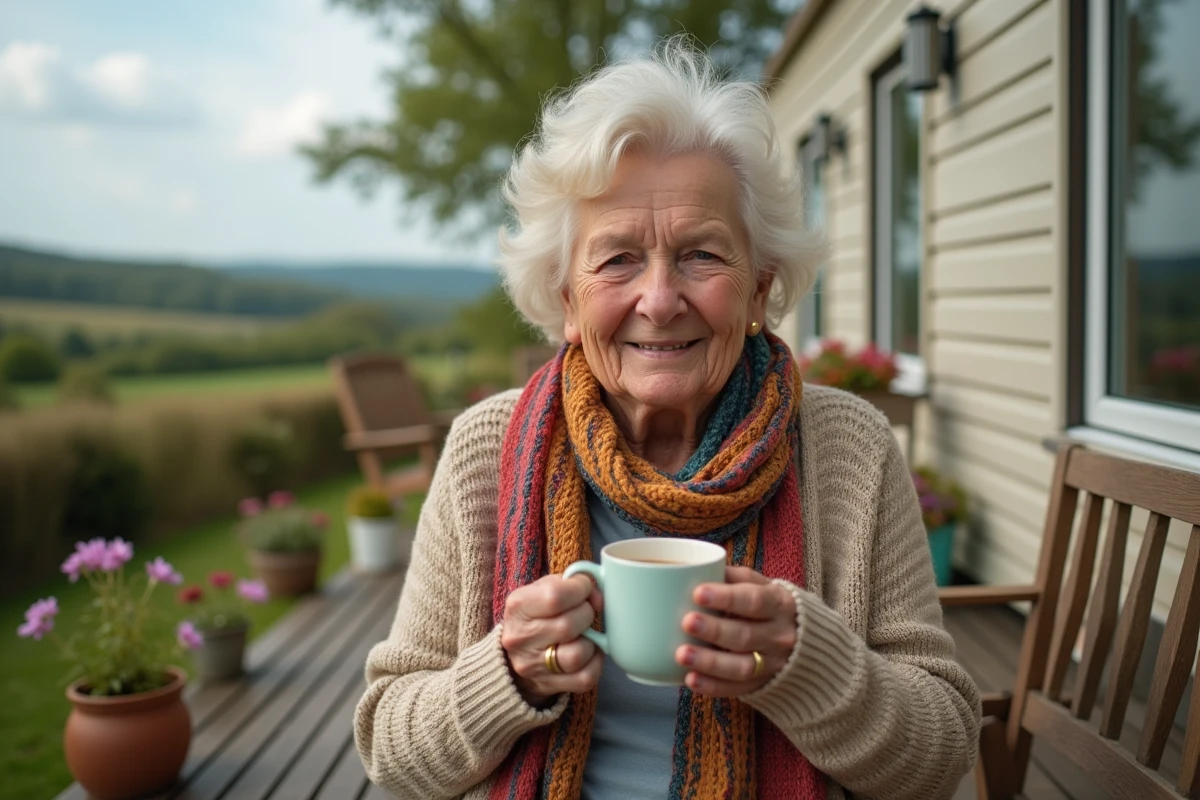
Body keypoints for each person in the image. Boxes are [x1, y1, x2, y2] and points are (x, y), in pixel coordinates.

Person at [354, 38, 980, 800]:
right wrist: (507, 672)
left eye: (702, 255)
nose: (658, 300)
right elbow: (389, 746)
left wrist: (808, 667)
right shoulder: (485, 448)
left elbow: (943, 750)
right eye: (617, 259)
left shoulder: (847, 446)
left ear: (759, 291)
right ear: (565, 301)